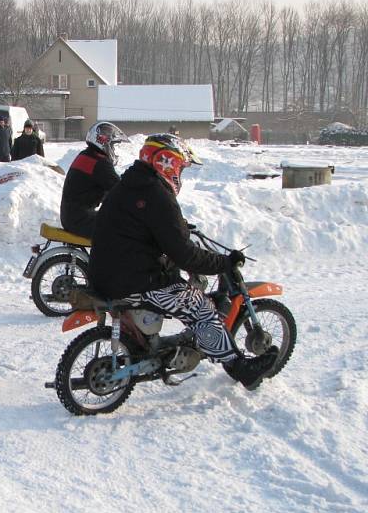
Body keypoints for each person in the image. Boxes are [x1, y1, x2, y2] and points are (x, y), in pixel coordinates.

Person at [89, 134, 279, 390]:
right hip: (136, 281)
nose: (180, 173)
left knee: (179, 285)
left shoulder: (128, 185)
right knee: (202, 307)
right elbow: (185, 255)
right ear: (167, 162)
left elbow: (143, 225)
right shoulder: (156, 194)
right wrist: (223, 263)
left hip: (106, 273)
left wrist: (176, 229)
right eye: (180, 166)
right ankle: (241, 368)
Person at [59, 121, 129, 239]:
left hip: (72, 216)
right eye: (112, 145)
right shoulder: (99, 162)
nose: (113, 149)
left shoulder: (87, 155)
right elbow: (118, 188)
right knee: (123, 230)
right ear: (104, 141)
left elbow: (103, 187)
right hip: (80, 220)